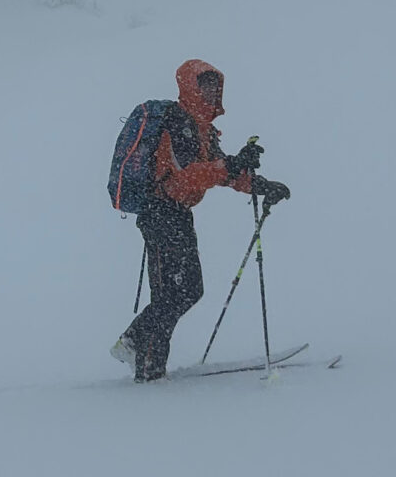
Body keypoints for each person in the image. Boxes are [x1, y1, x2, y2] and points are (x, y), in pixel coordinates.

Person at [112, 60, 290, 382]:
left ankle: (141, 351)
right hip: (160, 212)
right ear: (190, 87)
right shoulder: (178, 123)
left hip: (177, 215)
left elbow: (219, 171)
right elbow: (187, 177)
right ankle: (145, 363)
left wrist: (257, 184)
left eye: (215, 87)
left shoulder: (201, 128)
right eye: (205, 86)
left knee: (188, 290)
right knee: (172, 293)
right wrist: (233, 165)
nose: (211, 92)